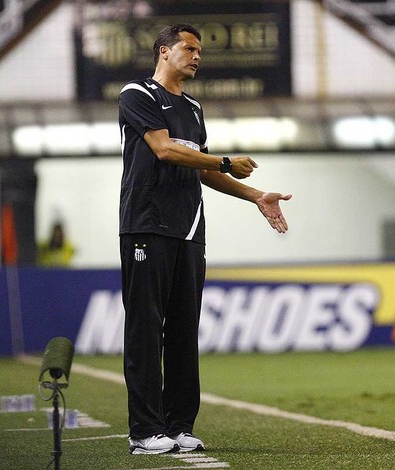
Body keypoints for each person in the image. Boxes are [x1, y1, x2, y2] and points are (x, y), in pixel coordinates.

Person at [118, 24, 292, 455]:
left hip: (189, 229)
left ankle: (178, 425)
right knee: (145, 329)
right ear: (164, 51)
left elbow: (201, 169)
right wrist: (227, 159)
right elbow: (165, 150)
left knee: (182, 330)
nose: (198, 56)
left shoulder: (193, 109)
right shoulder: (137, 94)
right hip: (146, 225)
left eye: (200, 51)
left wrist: (256, 196)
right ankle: (144, 431)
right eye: (189, 48)